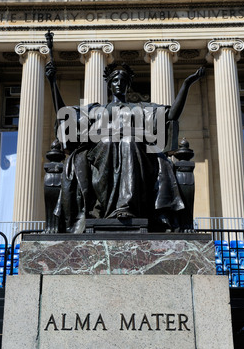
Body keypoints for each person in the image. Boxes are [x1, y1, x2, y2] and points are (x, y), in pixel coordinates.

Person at [45, 61, 204, 233]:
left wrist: (186, 85)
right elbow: (65, 116)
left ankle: (125, 207)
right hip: (101, 151)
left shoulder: (143, 108)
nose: (119, 84)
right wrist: (53, 83)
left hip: (137, 153)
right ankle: (108, 209)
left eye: (122, 81)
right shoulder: (96, 110)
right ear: (109, 85)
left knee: (128, 141)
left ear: (128, 85)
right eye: (115, 80)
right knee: (109, 141)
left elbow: (171, 115)